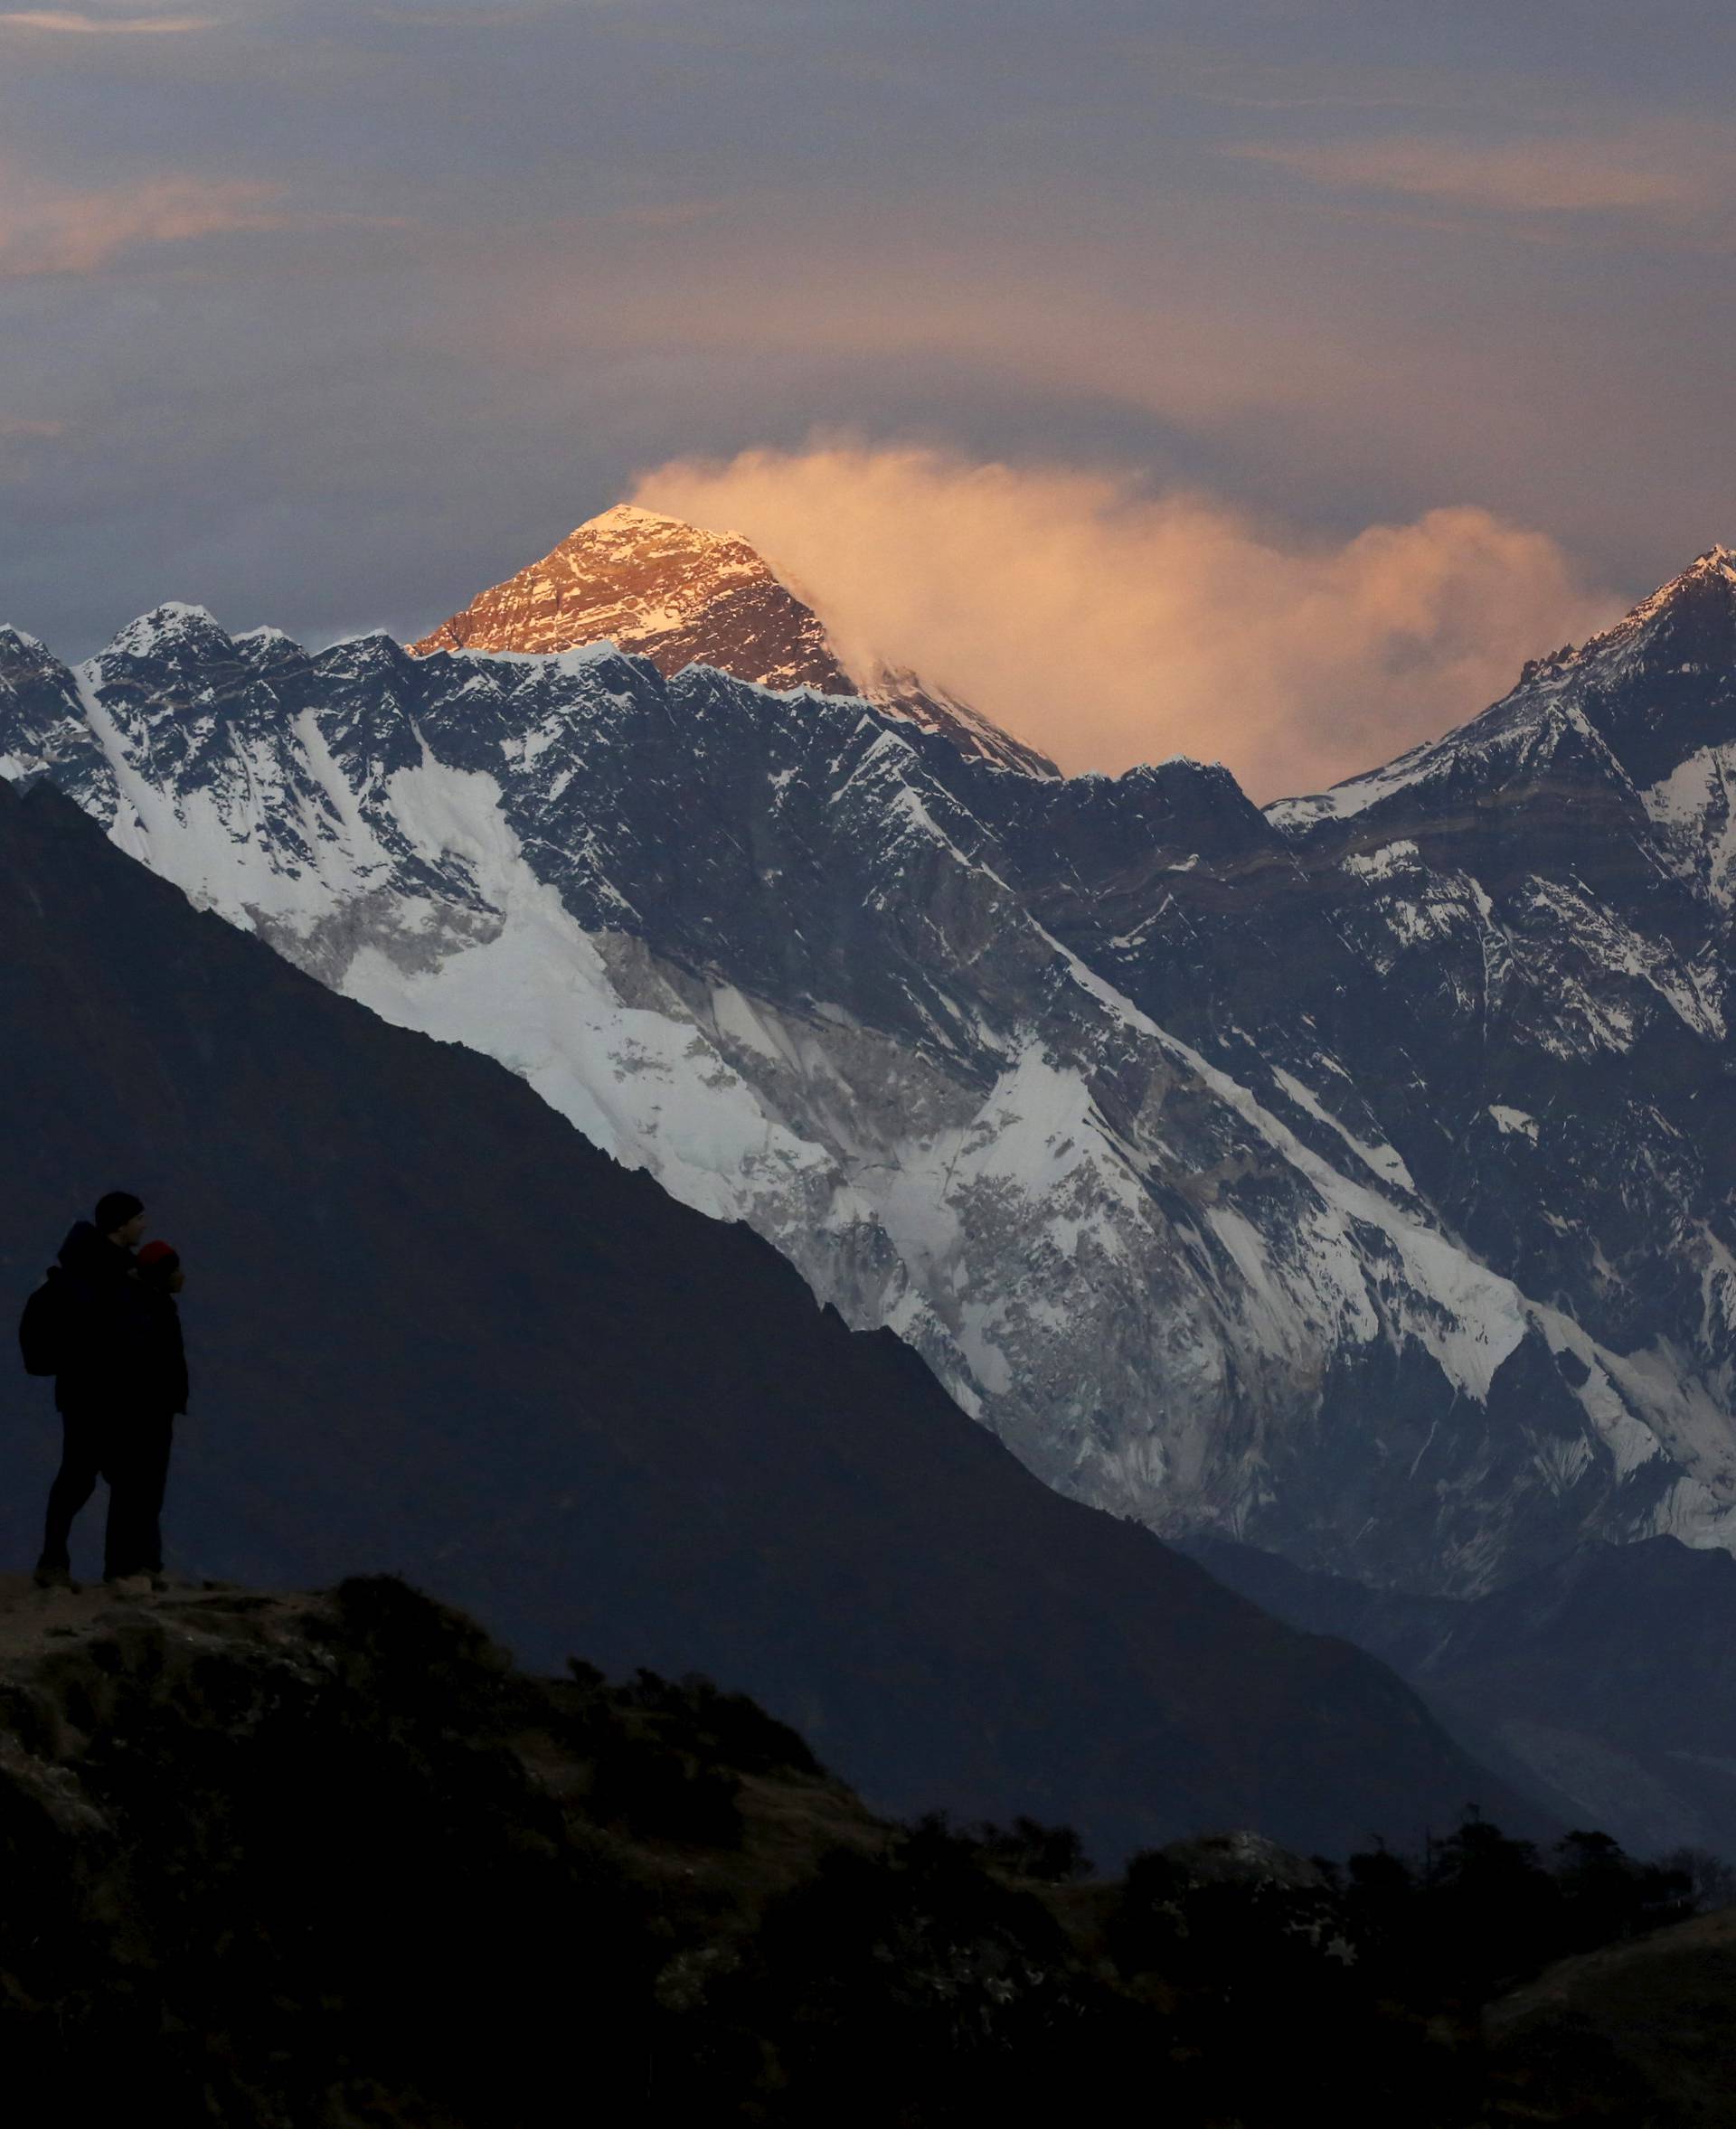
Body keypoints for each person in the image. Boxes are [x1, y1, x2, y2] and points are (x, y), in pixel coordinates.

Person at [33, 1190, 150, 1589]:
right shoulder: (104, 1274)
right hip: (96, 1390)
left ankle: (63, 1562)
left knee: (85, 1476)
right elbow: (111, 1334)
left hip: (87, 1390)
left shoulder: (96, 1267)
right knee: (99, 1475)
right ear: (119, 1224)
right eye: (137, 1218)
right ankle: (113, 1569)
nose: (143, 1225)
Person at [107, 1240, 190, 1587]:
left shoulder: (147, 1303)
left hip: (149, 1409)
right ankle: (134, 1565)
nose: (180, 1276)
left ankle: (138, 1563)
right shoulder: (146, 1308)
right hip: (144, 1411)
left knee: (141, 1487)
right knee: (139, 1486)